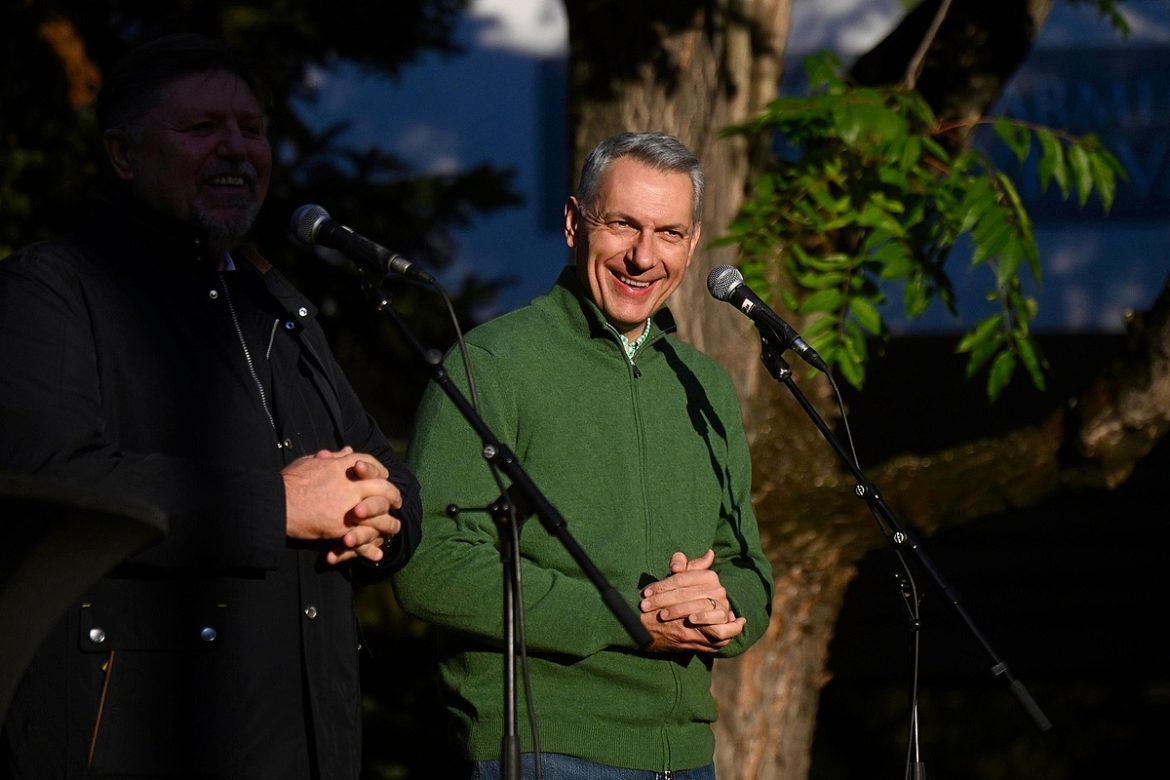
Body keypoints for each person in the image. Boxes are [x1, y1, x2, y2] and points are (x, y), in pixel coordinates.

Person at [0, 33, 421, 780]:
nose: (236, 149)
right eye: (202, 128)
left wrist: (381, 516)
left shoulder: (279, 303)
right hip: (139, 739)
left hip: (307, 745)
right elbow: (52, 478)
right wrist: (276, 506)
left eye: (251, 129)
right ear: (123, 154)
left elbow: (384, 470)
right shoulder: (52, 289)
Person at [391, 131, 775, 779]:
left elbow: (748, 569)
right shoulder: (491, 363)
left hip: (686, 756)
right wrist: (627, 617)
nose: (643, 257)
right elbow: (429, 565)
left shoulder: (704, 385)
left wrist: (721, 605)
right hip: (545, 746)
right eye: (622, 224)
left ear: (692, 244)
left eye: (669, 233)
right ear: (574, 223)